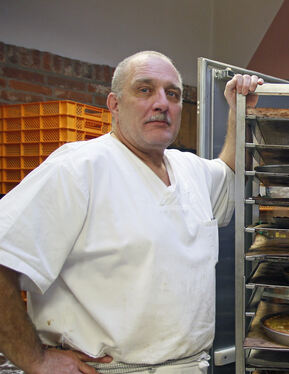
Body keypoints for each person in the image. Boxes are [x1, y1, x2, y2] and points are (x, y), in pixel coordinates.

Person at [0, 51, 263, 374]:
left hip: (190, 366)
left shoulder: (190, 169)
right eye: (144, 90)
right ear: (114, 104)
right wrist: (35, 359)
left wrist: (239, 114)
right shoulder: (78, 168)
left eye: (173, 94)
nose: (161, 103)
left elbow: (231, 172)